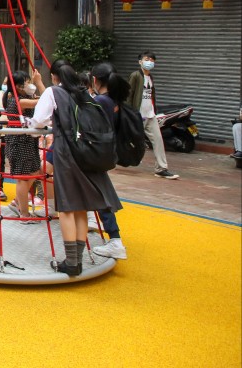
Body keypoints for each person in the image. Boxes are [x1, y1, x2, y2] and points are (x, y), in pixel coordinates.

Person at [27, 62, 123, 276]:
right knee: (81, 208)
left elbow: (38, 121)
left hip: (67, 154)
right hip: (87, 154)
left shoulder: (53, 92)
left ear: (54, 77)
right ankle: (77, 259)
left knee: (68, 208)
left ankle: (71, 262)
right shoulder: (84, 93)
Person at [89, 62, 131, 260]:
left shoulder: (100, 101)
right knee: (95, 188)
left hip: (96, 152)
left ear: (95, 80)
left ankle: (115, 239)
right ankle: (90, 217)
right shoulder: (113, 99)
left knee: (100, 191)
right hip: (105, 151)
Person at [128, 51, 179, 180]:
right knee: (127, 138)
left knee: (158, 141)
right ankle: (111, 157)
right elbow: (129, 95)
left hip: (150, 115)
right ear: (140, 61)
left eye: (152, 60)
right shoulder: (135, 76)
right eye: (147, 59)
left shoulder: (150, 77)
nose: (149, 62)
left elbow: (151, 96)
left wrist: (154, 111)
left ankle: (161, 169)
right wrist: (129, 113)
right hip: (138, 115)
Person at [2, 69, 45, 219]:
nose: (30, 84)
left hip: (26, 141)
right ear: (19, 86)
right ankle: (24, 214)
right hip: (20, 142)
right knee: (23, 178)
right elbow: (47, 99)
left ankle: (17, 202)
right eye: (27, 82)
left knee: (35, 172)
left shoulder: (21, 98)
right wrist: (39, 82)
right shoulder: (19, 100)